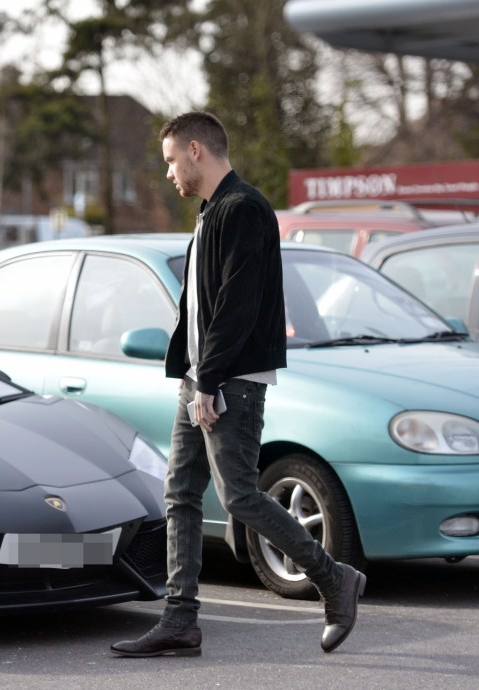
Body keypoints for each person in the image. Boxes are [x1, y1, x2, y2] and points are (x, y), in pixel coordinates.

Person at [111, 112, 365, 658]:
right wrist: (193, 374)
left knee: (239, 495)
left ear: (197, 150)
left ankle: (333, 578)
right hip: (201, 379)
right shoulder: (211, 212)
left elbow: (238, 305)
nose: (169, 174)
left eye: (172, 161)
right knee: (179, 495)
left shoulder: (243, 209)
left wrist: (210, 378)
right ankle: (180, 621)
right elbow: (204, 307)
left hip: (230, 382)